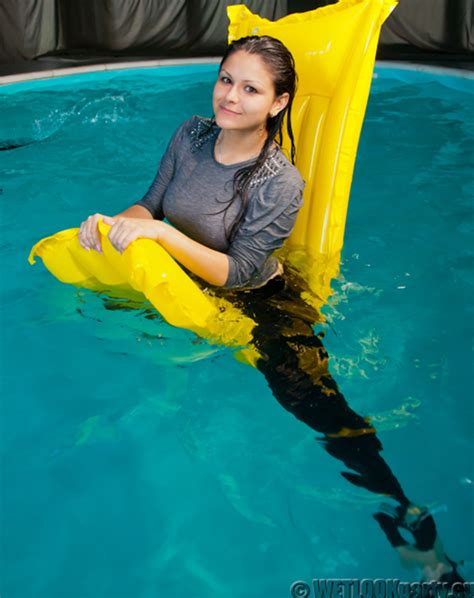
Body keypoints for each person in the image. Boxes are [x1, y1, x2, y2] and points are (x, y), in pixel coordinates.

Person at [79, 36, 464, 585]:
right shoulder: (189, 134)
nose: (230, 97)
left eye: (250, 88)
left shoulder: (280, 181)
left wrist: (160, 234)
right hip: (186, 285)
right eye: (226, 79)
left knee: (316, 407)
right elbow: (153, 199)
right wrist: (117, 224)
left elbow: (237, 271)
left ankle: (412, 525)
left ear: (278, 103)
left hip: (264, 303)